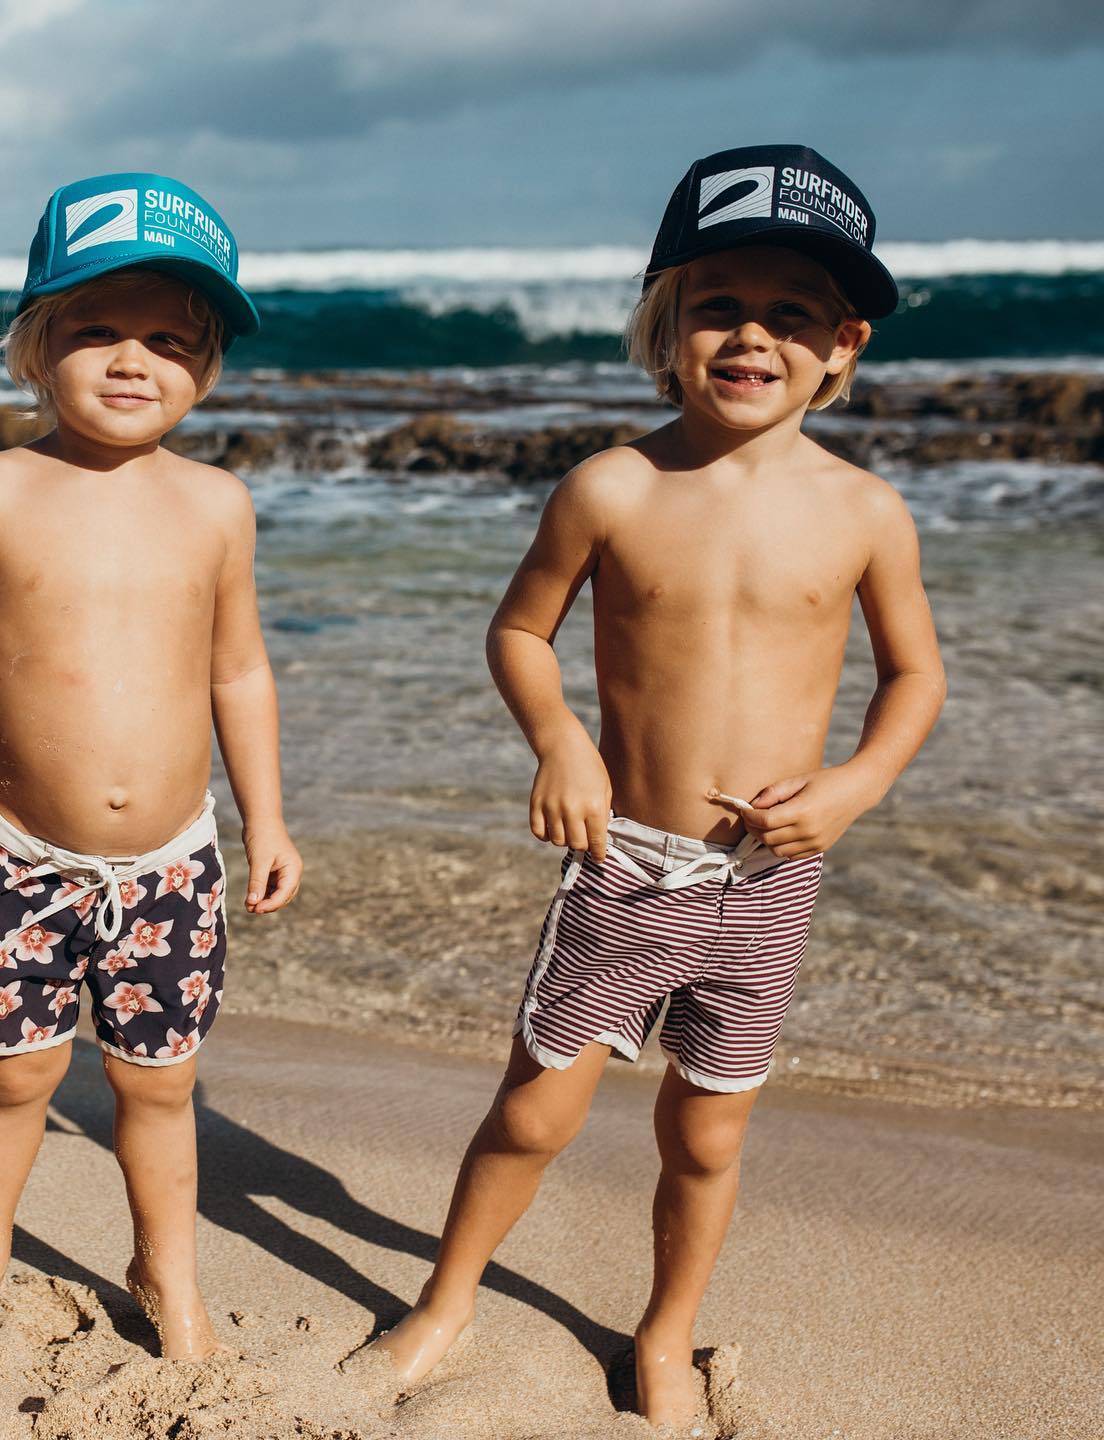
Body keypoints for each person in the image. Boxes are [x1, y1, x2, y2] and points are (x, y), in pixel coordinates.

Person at [363, 145, 945, 1428]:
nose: (753, 335)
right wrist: (562, 742)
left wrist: (856, 785)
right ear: (667, 323)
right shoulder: (613, 487)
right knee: (536, 1111)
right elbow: (520, 632)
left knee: (710, 1135)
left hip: (770, 883)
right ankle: (449, 1298)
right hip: (628, 866)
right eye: (720, 304)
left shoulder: (865, 512)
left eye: (792, 314)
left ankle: (667, 1332)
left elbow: (914, 678)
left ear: (842, 346)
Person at [0, 171, 301, 1370]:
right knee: (16, 1082)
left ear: (205, 367)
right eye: (97, 329)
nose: (133, 361)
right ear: (35, 345)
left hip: (171, 863)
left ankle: (168, 1272)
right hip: (23, 855)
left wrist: (267, 817)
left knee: (159, 1089)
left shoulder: (218, 506)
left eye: (169, 340)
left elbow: (240, 674)